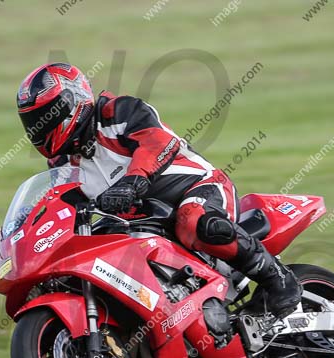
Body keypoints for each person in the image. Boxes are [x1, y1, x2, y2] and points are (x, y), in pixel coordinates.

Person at [16, 63, 301, 318]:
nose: (41, 127)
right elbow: (61, 204)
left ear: (72, 102)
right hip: (144, 221)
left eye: (46, 115)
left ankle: (279, 279)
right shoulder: (62, 162)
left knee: (194, 220)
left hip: (198, 187)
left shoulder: (116, 112)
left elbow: (157, 142)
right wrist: (26, 229)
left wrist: (134, 180)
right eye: (33, 121)